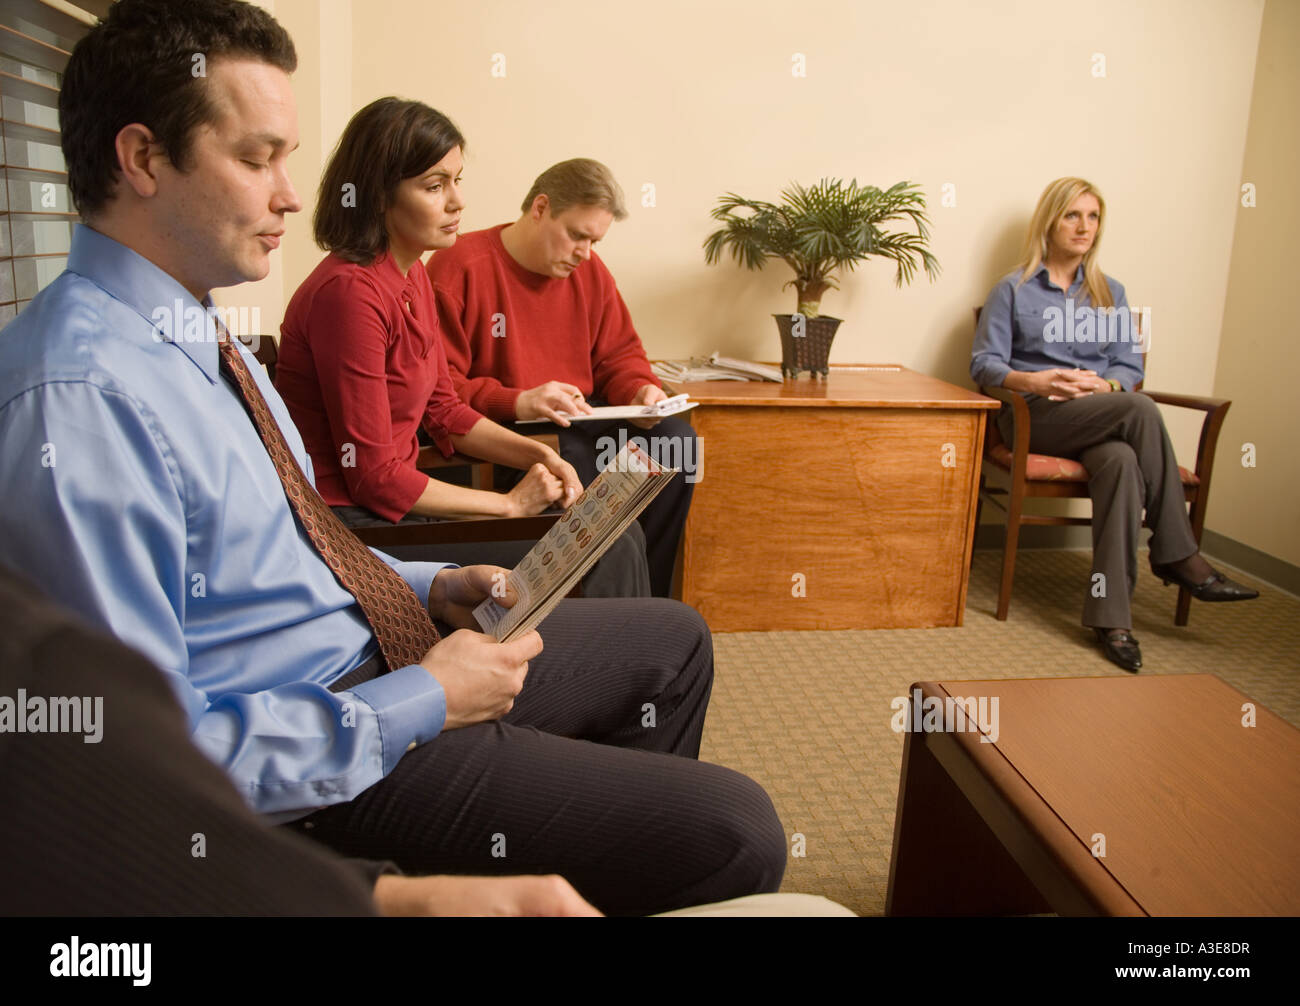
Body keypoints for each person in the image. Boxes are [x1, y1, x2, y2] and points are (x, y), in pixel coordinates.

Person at [0, 0, 784, 917]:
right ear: (141, 159)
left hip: (378, 647)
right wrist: (423, 698)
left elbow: (306, 541)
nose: (291, 194)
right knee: (736, 828)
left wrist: (433, 586)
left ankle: (583, 850)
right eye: (256, 159)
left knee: (673, 638)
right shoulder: (81, 402)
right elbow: (148, 769)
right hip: (333, 740)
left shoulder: (190, 329)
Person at [275, 99, 649, 596]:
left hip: (396, 511)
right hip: (351, 530)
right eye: (435, 186)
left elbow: (443, 410)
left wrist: (538, 454)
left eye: (457, 180)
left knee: (615, 531)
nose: (457, 202)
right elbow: (373, 477)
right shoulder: (349, 293)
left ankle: (612, 664)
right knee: (605, 548)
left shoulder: (411, 279)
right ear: (378, 197)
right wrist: (509, 506)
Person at [971, 177, 1258, 671]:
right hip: (1037, 417)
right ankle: (1174, 551)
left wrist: (1105, 388)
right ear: (1050, 221)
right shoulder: (1013, 289)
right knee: (1140, 409)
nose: (1084, 226)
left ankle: (1112, 619)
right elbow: (984, 364)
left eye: (1093, 216)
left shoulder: (1108, 292)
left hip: (1100, 418)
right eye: (1072, 215)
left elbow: (1128, 367)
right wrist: (1038, 382)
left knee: (1123, 462)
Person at [427, 158, 696, 597]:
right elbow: (439, 389)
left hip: (581, 421)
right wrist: (519, 400)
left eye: (594, 240)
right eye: (576, 234)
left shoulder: (589, 272)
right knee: (581, 458)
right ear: (540, 208)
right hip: (505, 433)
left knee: (677, 445)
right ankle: (606, 601)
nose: (585, 253)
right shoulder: (459, 266)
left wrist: (641, 389)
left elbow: (620, 356)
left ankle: (651, 604)